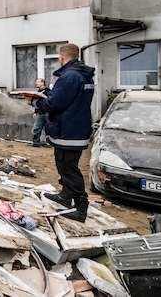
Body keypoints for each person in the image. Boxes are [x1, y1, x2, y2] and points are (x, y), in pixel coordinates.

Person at [30, 43, 95, 222]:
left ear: (62, 57)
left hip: (69, 130)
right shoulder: (83, 75)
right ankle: (66, 196)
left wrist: (36, 102)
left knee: (69, 168)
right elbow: (68, 99)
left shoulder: (70, 76)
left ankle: (81, 207)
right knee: (64, 164)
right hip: (75, 128)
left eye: (59, 57)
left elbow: (54, 103)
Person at [30, 78, 50, 147]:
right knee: (36, 128)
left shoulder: (47, 91)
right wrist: (35, 112)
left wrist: (43, 96)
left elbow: (51, 100)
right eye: (36, 82)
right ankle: (36, 142)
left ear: (42, 83)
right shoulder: (38, 91)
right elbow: (35, 103)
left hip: (47, 113)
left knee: (49, 128)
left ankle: (49, 143)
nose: (36, 83)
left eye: (38, 82)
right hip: (40, 112)